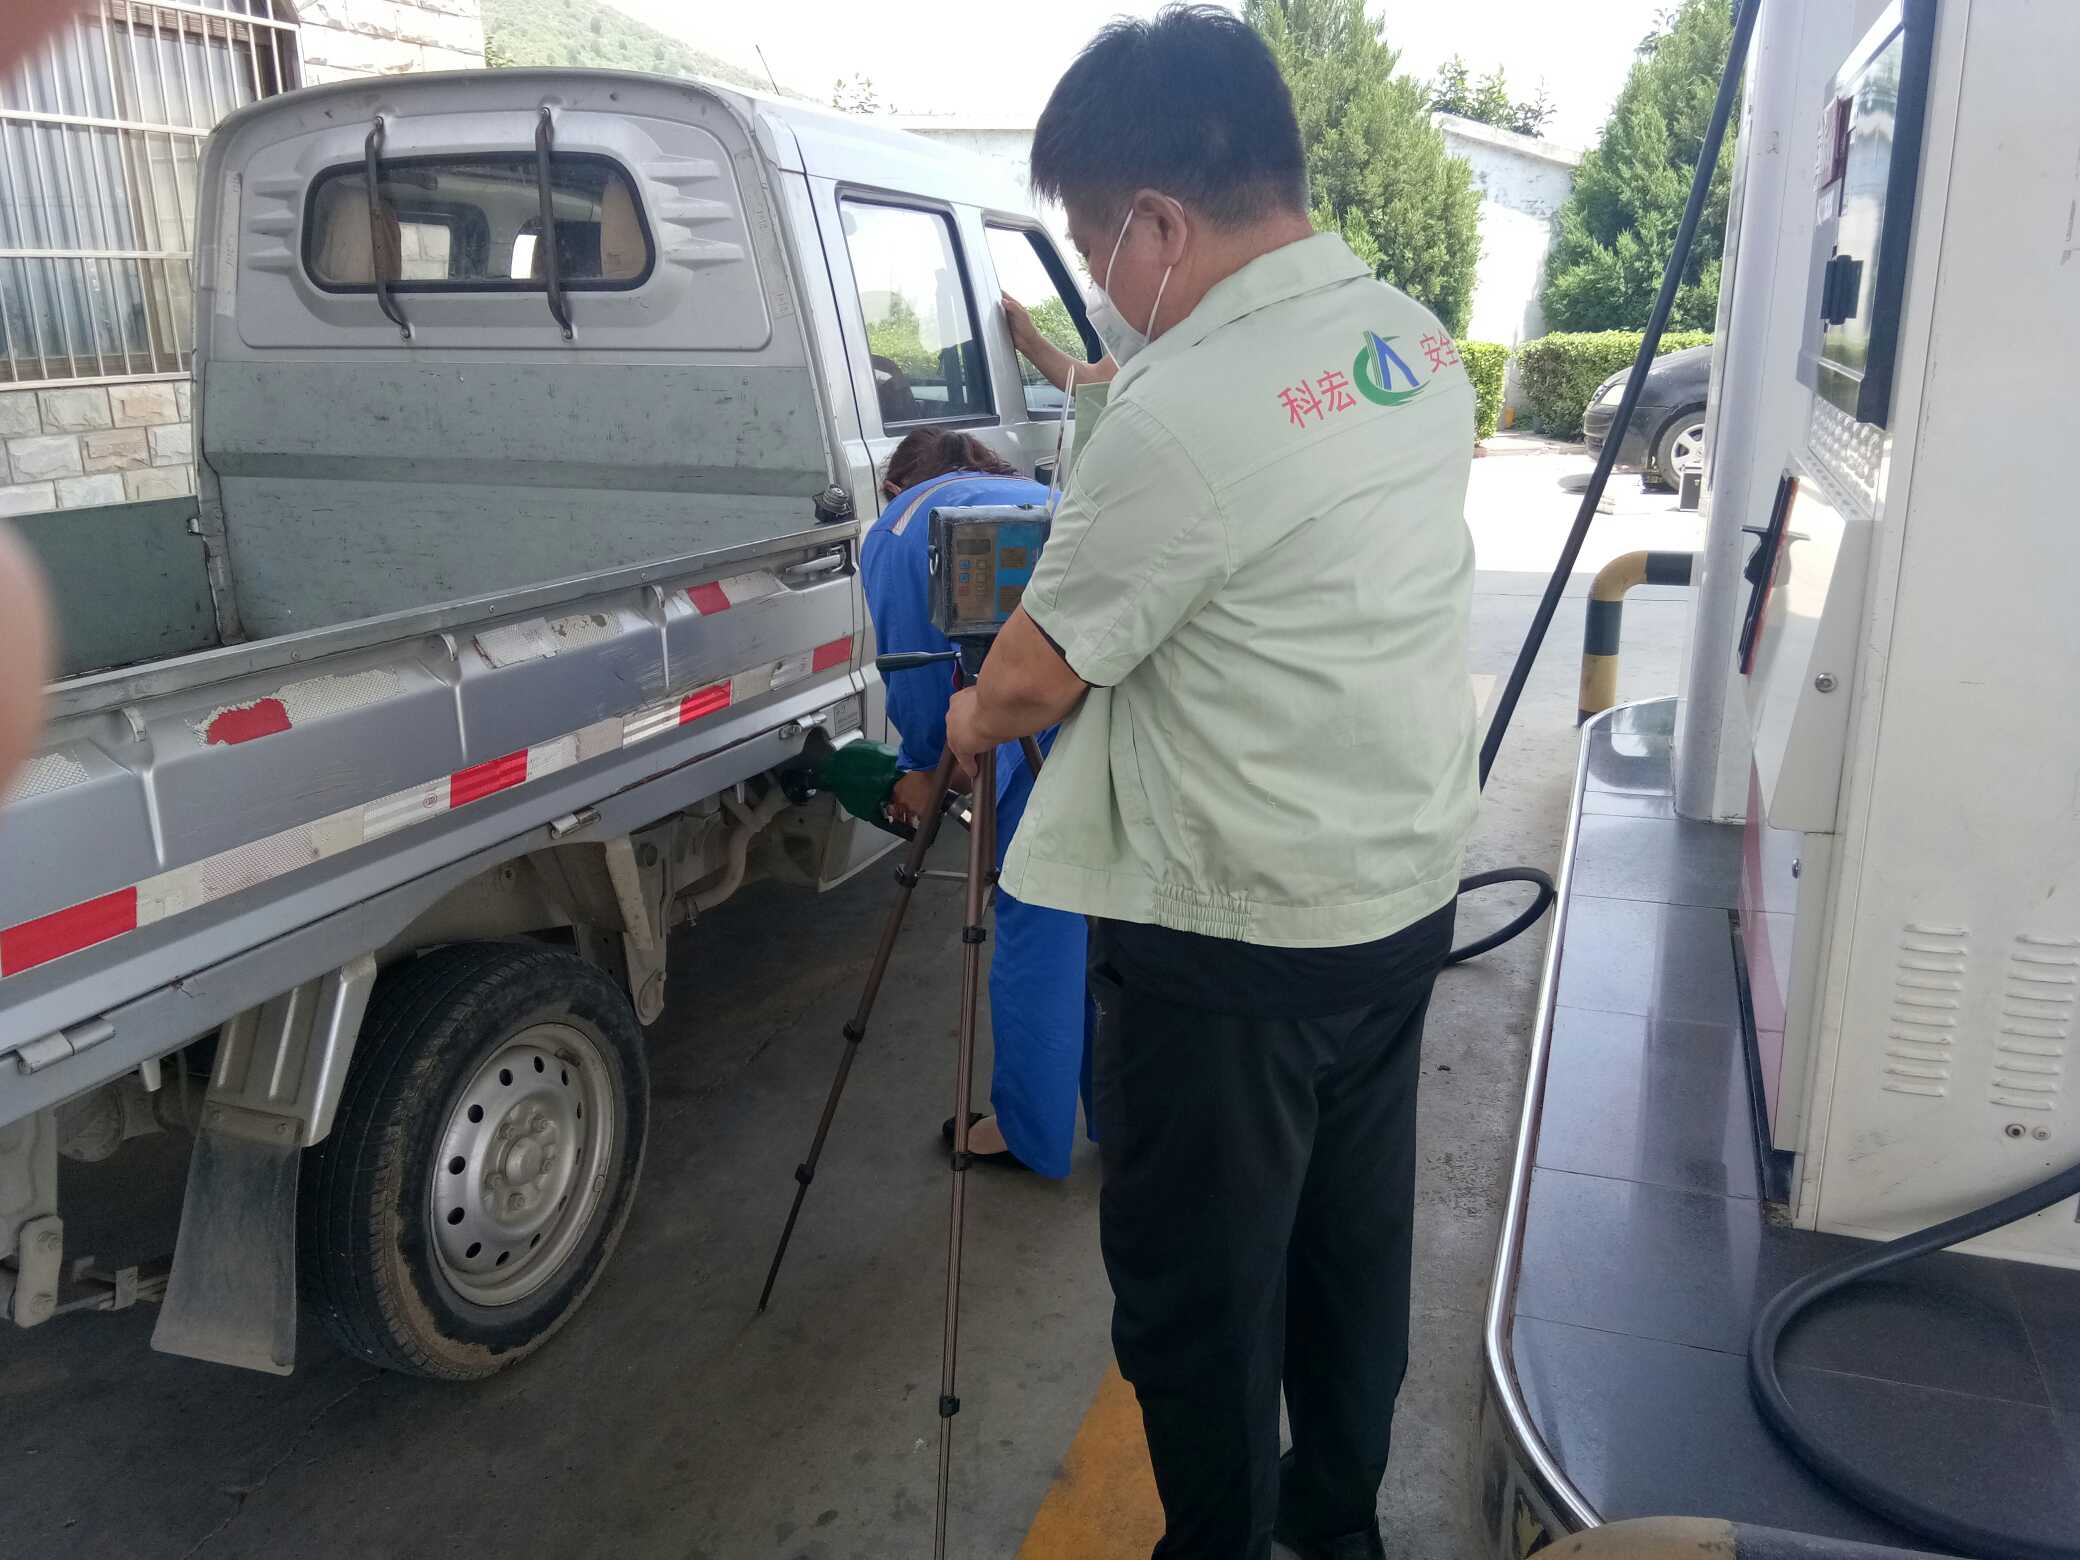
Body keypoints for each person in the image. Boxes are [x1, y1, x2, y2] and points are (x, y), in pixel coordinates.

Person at [943, 9, 1479, 1559]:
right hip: (1394, 901)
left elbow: (1037, 677)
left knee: (1198, 1303)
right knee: (1347, 1261)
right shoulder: (1412, 343)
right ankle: (1338, 1528)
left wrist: (966, 717)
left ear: (1161, 225)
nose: (1101, 274)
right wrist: (1099, 374)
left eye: (1095, 242)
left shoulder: (1188, 415)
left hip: (1230, 941)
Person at [860, 428, 1094, 1179]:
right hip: (1110, 720)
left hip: (1021, 724)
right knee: (1110, 922)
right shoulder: (1055, 501)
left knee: (1037, 921)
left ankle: (1028, 1135)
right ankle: (1125, 1120)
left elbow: (917, 670)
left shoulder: (900, 526)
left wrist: (922, 770)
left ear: (895, 485)